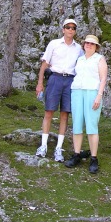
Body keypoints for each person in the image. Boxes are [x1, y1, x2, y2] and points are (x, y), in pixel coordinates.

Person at [35, 18, 83, 162]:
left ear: (75, 31)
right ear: (63, 29)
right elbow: (45, 64)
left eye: (73, 28)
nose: (70, 30)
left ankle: (58, 149)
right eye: (68, 27)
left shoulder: (78, 48)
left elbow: (81, 67)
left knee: (64, 114)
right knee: (49, 111)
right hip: (55, 78)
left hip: (70, 80)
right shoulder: (54, 44)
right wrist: (40, 83)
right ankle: (43, 146)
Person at [64, 35, 108, 174]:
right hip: (77, 91)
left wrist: (99, 96)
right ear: (83, 45)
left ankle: (94, 158)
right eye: (87, 43)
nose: (88, 45)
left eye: (92, 44)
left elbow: (103, 79)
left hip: (92, 93)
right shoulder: (80, 59)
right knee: (77, 124)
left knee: (91, 125)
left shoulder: (99, 59)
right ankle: (76, 154)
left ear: (96, 47)